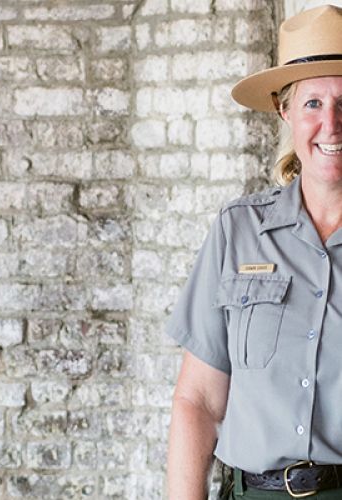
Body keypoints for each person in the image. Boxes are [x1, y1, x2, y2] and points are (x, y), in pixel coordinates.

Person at [166, 4, 342, 500]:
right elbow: (198, 401)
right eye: (312, 103)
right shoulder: (238, 230)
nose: (331, 123)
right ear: (285, 111)